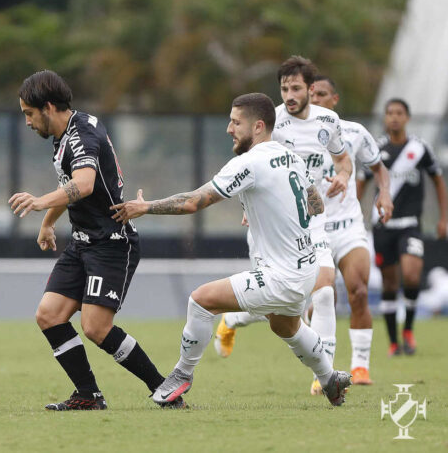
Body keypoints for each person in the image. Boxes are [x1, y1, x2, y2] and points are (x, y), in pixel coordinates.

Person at [111, 92, 352, 407]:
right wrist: (264, 207)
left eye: (236, 122)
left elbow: (193, 201)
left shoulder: (249, 162)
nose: (229, 129)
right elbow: (315, 204)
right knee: (286, 325)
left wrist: (146, 207)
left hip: (281, 276)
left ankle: (181, 376)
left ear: (258, 127)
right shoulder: (290, 154)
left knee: (200, 301)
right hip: (305, 269)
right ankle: (329, 379)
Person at [9, 70, 183, 410]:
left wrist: (40, 202)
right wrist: (48, 224)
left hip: (112, 241)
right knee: (49, 315)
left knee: (95, 327)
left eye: (29, 114)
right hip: (83, 242)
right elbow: (70, 188)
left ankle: (163, 389)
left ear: (47, 107)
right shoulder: (64, 135)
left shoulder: (81, 136)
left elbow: (85, 184)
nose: (28, 122)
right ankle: (88, 395)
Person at [214, 56, 353, 396]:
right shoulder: (271, 123)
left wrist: (344, 178)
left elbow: (343, 160)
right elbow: (247, 165)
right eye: (284, 89)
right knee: (281, 311)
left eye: (295, 88)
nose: (289, 95)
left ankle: (326, 375)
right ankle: (232, 319)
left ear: (311, 89)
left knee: (323, 290)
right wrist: (251, 203)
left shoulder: (329, 121)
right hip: (273, 227)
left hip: (312, 221)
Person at [308, 75, 393, 383]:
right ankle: (323, 370)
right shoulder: (296, 134)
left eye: (321, 94)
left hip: (349, 228)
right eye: (311, 94)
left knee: (358, 291)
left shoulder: (355, 132)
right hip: (313, 231)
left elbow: (379, 168)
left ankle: (359, 366)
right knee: (321, 298)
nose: (315, 99)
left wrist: (384, 193)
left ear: (335, 99)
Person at [358, 98, 448, 356]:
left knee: (410, 275)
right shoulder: (375, 149)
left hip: (411, 224)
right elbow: (362, 183)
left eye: (399, 113)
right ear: (385, 118)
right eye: (389, 113)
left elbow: (438, 181)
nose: (394, 117)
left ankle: (408, 330)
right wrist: (353, 214)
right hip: (383, 225)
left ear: (407, 117)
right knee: (388, 283)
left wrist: (443, 218)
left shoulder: (420, 149)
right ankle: (393, 342)